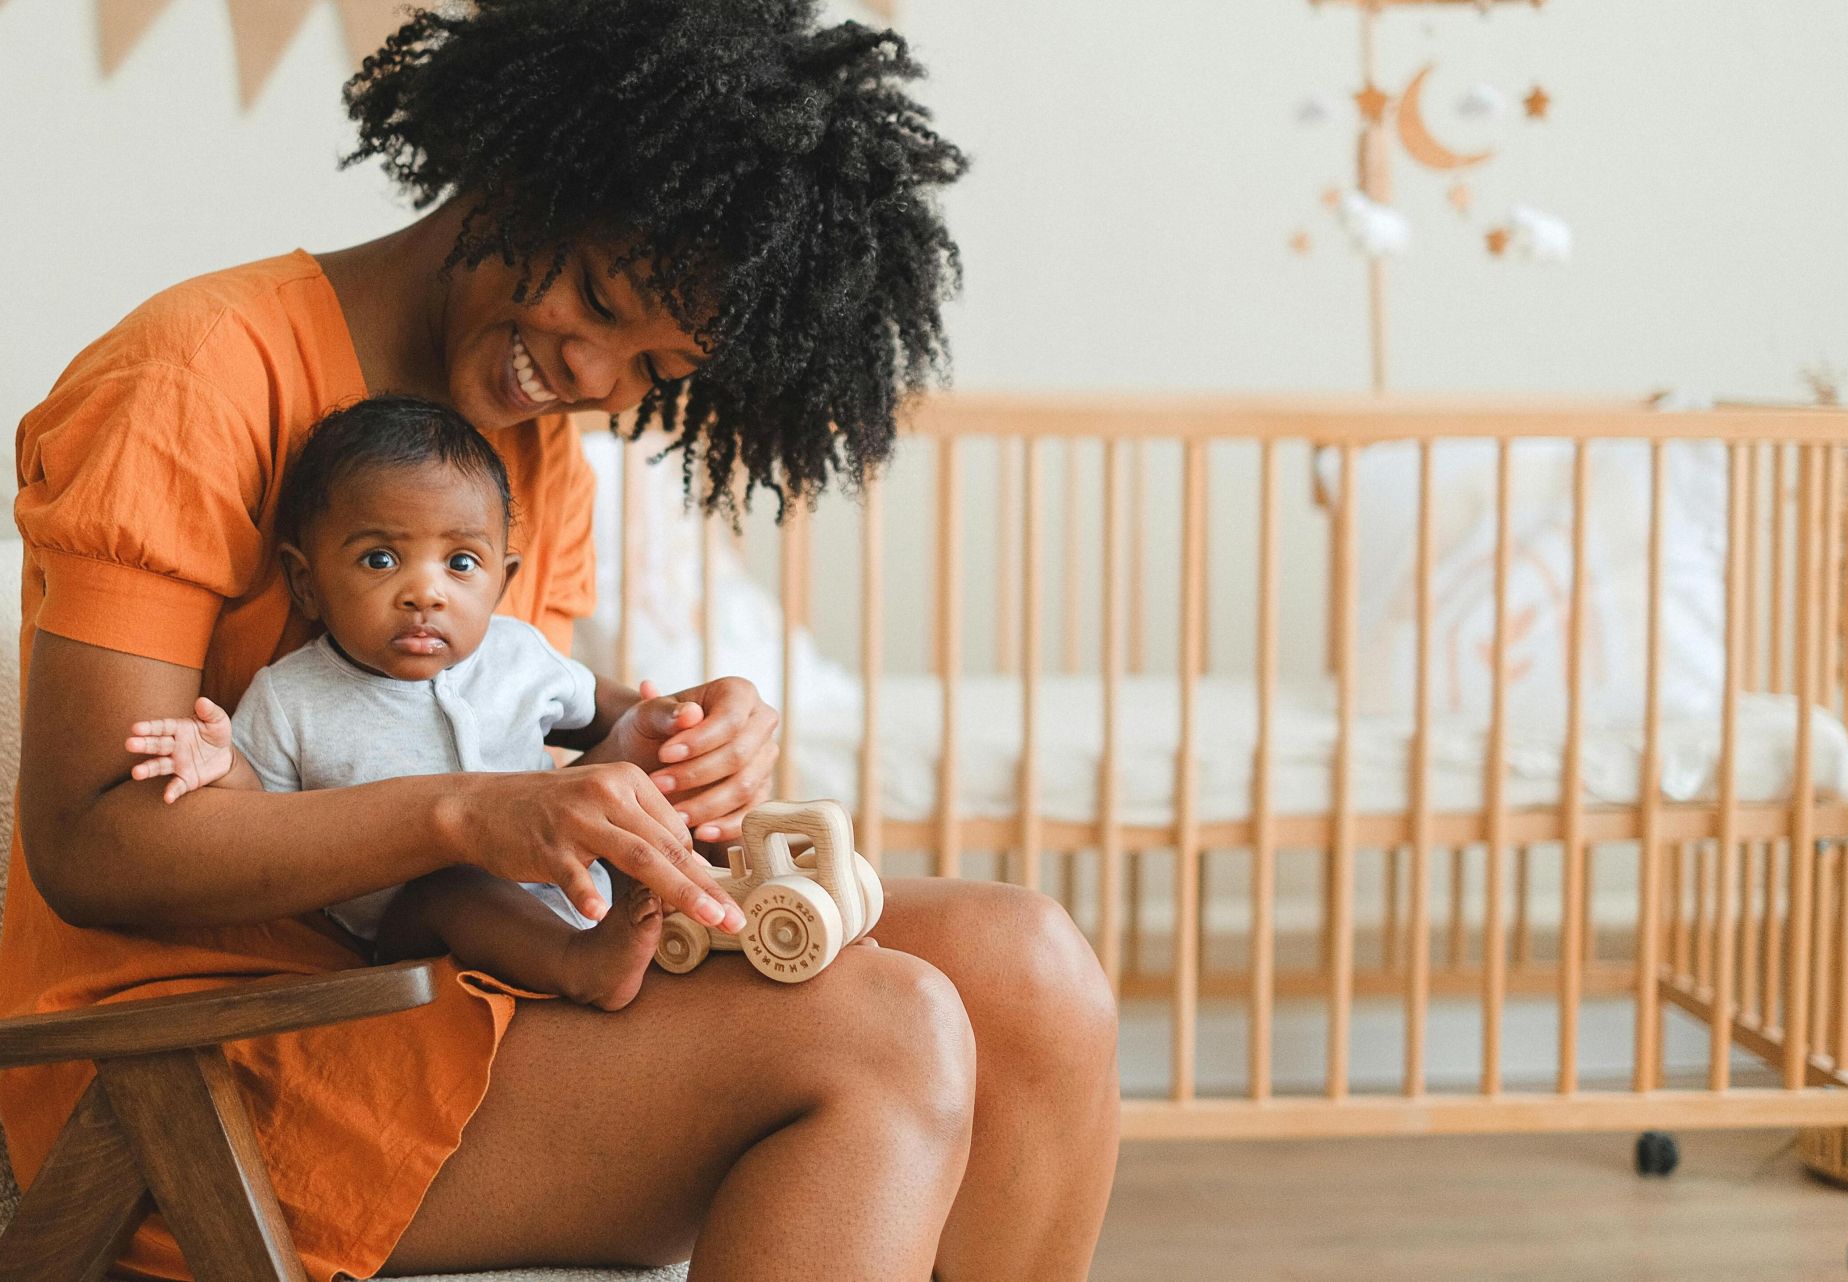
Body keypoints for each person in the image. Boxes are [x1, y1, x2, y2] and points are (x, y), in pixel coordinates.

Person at [1, 2, 1119, 1279]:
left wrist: (658, 761)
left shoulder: (537, 458)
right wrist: (469, 814)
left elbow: (508, 755)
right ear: (526, 169)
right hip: (212, 1051)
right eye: (594, 297)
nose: (594, 376)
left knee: (1031, 968)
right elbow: (93, 843)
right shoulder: (196, 376)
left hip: (466, 980)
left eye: (657, 366)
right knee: (886, 1027)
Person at [126, 395, 703, 1012]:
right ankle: (582, 965)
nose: (425, 592)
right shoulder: (291, 694)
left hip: (569, 885)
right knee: (451, 886)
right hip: (413, 930)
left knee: (625, 797)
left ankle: (688, 912)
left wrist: (660, 723)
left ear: (501, 582)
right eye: (381, 559)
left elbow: (601, 718)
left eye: (460, 563)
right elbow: (256, 816)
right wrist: (220, 763)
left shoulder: (519, 653)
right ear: (306, 582)